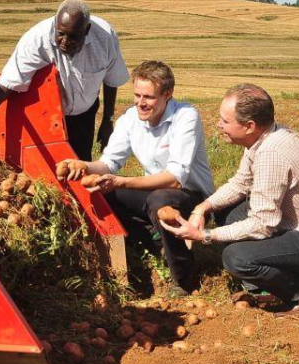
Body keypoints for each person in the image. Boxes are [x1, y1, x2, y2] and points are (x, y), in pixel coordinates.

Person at [161, 84, 299, 317]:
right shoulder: (264, 138)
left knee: (236, 258)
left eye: (225, 120)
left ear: (249, 126)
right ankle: (268, 281)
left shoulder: (272, 153)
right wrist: (201, 208)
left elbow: (262, 225)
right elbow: (240, 183)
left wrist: (205, 236)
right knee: (226, 211)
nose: (218, 125)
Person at [62, 60, 214, 297]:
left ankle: (184, 278)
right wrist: (85, 165)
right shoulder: (130, 119)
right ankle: (154, 241)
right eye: (137, 95)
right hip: (153, 193)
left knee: (159, 200)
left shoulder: (186, 117)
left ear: (167, 95)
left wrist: (122, 181)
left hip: (192, 197)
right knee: (105, 192)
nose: (141, 103)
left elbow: (175, 178)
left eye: (149, 97)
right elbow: (109, 163)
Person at [0, 0, 129, 161]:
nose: (65, 41)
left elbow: (112, 78)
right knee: (53, 165)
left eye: (73, 36)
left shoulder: (104, 37)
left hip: (85, 113)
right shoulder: (37, 39)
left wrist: (108, 120)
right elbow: (9, 83)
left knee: (81, 163)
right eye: (60, 34)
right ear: (55, 24)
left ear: (87, 30)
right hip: (49, 116)